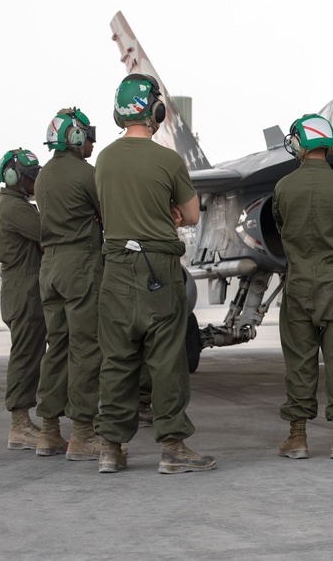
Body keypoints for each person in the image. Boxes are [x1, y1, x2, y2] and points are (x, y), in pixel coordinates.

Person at [93, 73, 215, 474]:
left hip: (115, 267)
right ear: (156, 113)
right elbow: (193, 215)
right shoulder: (168, 159)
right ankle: (174, 449)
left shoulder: (105, 159)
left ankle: (110, 448)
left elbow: (107, 210)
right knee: (165, 360)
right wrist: (171, 212)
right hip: (158, 268)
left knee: (116, 359)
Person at [272, 114, 333, 460]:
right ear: (329, 145)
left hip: (298, 285)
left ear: (300, 144)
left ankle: (296, 438)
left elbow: (283, 228)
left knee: (299, 361)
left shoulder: (283, 187)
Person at [34, 108, 103, 459]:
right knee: (85, 347)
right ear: (75, 138)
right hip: (80, 265)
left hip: (50, 269)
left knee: (56, 346)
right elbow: (108, 213)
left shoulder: (43, 176)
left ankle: (48, 431)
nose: (91, 138)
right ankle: (82, 434)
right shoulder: (86, 174)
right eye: (87, 133)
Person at [0, 148, 47, 450]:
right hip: (24, 291)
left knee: (32, 354)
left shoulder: (19, 205)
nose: (35, 182)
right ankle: (19, 424)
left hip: (27, 288)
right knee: (25, 356)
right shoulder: (14, 208)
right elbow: (47, 232)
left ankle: (24, 421)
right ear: (15, 178)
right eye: (31, 177)